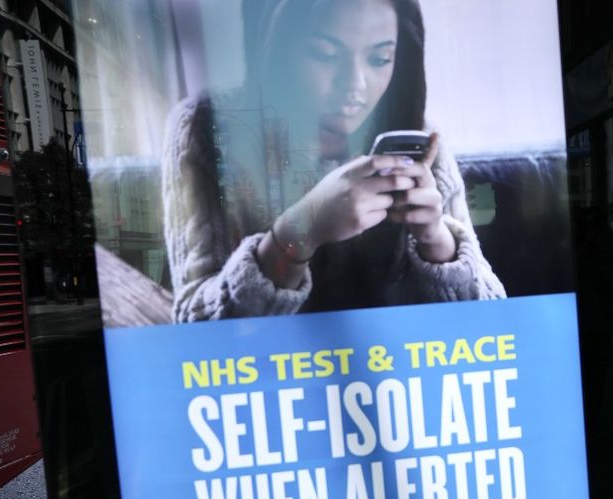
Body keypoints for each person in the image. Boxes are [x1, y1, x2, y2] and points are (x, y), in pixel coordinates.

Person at [163, 0, 504, 323]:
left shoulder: (418, 139)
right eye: (324, 55)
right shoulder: (207, 129)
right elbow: (198, 325)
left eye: (380, 59)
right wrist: (300, 231)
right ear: (276, 46)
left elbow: (495, 321)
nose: (355, 86)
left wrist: (435, 240)